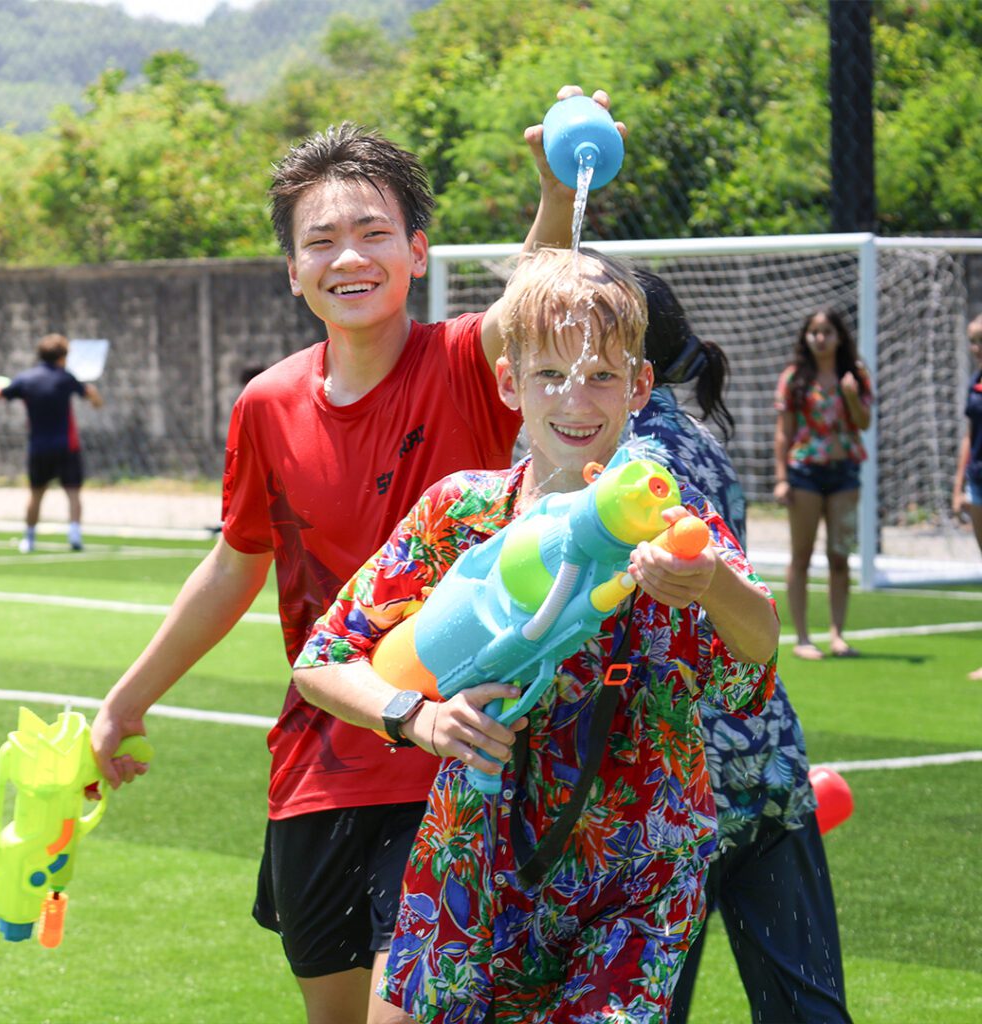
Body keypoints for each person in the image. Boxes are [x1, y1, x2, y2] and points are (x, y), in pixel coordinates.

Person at [90, 87, 620, 1024]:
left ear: (417, 253)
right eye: (321, 241)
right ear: (292, 271)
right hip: (317, 764)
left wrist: (553, 193)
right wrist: (125, 701)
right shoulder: (266, 404)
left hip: (457, 756)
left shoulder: (466, 362)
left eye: (374, 234)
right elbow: (234, 565)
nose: (349, 257)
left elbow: (530, 301)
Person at [293, 247, 779, 1024]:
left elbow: (756, 655)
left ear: (640, 387)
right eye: (550, 374)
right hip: (473, 857)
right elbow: (323, 659)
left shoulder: (675, 523)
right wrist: (417, 718)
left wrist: (711, 580)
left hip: (635, 881)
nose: (574, 399)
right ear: (509, 383)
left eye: (600, 376)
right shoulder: (462, 512)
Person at [628, 270, 851, 1023]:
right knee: (806, 1007)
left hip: (670, 782)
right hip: (764, 755)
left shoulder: (624, 465)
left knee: (641, 1010)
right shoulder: (699, 442)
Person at [773, 307, 872, 660]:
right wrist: (781, 478)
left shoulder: (855, 375)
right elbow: (783, 432)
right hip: (805, 473)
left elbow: (864, 422)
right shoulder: (794, 377)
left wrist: (850, 395)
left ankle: (837, 635)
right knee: (801, 556)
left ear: (839, 337)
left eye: (827, 331)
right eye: (814, 332)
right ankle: (802, 638)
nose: (820, 338)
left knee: (839, 556)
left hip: (845, 472)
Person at [0, 332, 103, 553]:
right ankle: (75, 534)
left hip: (39, 447)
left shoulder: (26, 379)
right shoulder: (66, 378)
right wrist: (95, 395)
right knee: (73, 493)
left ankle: (29, 538)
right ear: (62, 357)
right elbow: (93, 398)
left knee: (36, 494)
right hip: (67, 446)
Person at [953, 313, 982, 681]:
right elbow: (969, 435)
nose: (977, 348)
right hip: (978, 482)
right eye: (973, 341)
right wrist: (958, 485)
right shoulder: (975, 382)